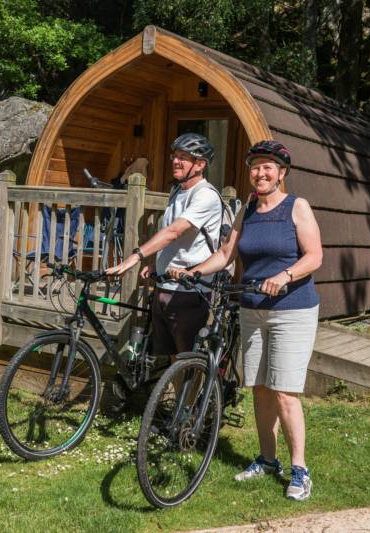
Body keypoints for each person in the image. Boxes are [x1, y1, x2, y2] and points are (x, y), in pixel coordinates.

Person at [169, 140, 322, 501]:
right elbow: (225, 255)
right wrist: (192, 271)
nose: (261, 172)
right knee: (261, 388)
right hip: (252, 307)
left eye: (269, 167)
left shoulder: (296, 207)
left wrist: (285, 276)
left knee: (284, 391)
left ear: (281, 173)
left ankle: (299, 469)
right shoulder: (247, 209)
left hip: (292, 309)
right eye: (256, 166)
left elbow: (314, 256)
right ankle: (268, 460)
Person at [105, 133, 223, 361]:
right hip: (165, 285)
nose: (176, 161)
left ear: (200, 165)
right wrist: (152, 262)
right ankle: (168, 396)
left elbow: (174, 231)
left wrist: (136, 256)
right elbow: (166, 230)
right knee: (168, 355)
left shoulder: (205, 195)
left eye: (184, 157)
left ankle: (190, 398)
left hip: (189, 291)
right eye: (175, 156)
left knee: (186, 359)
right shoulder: (177, 191)